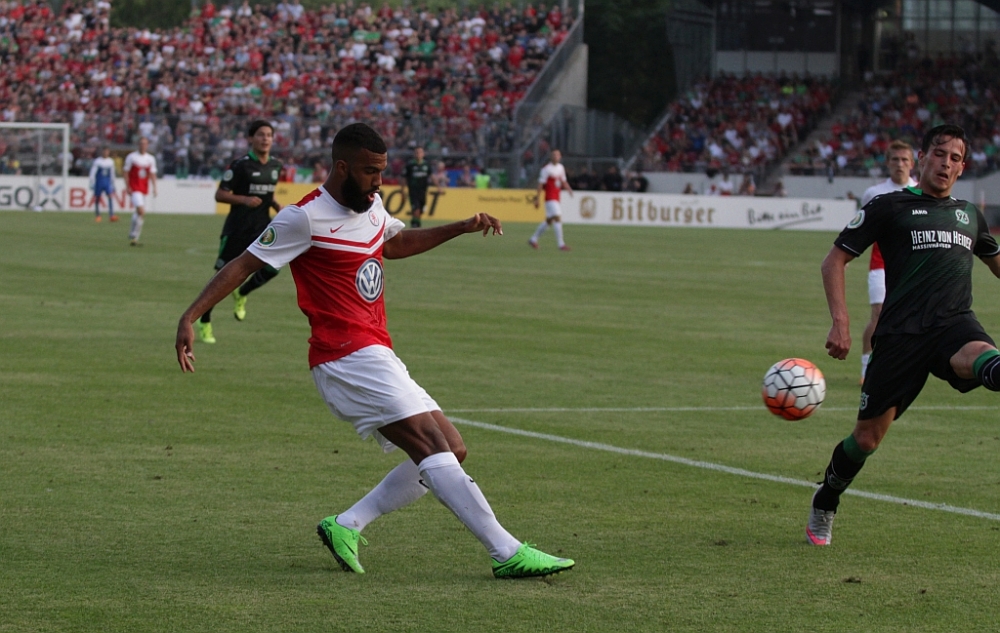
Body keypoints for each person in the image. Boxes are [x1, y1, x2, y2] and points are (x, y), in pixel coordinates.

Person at [174, 123, 574, 578]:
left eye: (382, 171)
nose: (379, 182)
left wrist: (460, 227)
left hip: (376, 347)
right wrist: (191, 316)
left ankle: (347, 524)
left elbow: (394, 243)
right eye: (370, 172)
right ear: (342, 167)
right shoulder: (303, 217)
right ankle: (506, 551)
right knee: (432, 445)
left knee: (452, 448)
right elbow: (243, 263)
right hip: (344, 356)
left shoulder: (372, 204)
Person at [807, 124, 1000, 546]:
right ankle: (826, 500)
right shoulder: (889, 206)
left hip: (953, 325)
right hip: (900, 336)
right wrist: (841, 322)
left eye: (955, 158)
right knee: (866, 440)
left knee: (989, 361)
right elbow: (833, 261)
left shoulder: (970, 215)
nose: (946, 163)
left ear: (962, 168)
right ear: (923, 158)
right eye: (939, 154)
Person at [195, 120, 284, 345]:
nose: (265, 139)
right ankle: (204, 320)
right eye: (261, 134)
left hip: (263, 228)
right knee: (221, 279)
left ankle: (243, 292)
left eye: (269, 135)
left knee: (274, 267)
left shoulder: (276, 165)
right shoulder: (240, 165)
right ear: (251, 139)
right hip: (237, 229)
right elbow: (220, 195)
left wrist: (276, 205)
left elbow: (268, 193)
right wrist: (244, 199)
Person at [857, 140, 918, 383]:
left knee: (909, 318)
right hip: (880, 264)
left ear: (912, 164)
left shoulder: (921, 191)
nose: (900, 164)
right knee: (878, 315)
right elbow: (861, 229)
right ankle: (866, 368)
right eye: (895, 159)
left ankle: (899, 366)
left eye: (904, 160)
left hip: (912, 266)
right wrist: (847, 256)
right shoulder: (874, 193)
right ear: (887, 163)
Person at [528, 149, 573, 251]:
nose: (556, 156)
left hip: (556, 197)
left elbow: (563, 181)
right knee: (557, 218)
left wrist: (569, 189)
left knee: (549, 221)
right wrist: (537, 198)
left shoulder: (561, 168)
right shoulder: (546, 169)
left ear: (560, 157)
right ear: (550, 157)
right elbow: (540, 184)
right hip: (550, 197)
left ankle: (533, 239)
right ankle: (561, 244)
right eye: (554, 155)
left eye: (558, 155)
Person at [123, 137, 157, 246]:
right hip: (134, 188)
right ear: (138, 144)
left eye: (145, 143)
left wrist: (155, 187)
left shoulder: (150, 159)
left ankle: (134, 237)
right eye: (141, 143)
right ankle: (134, 234)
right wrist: (127, 186)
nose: (143, 145)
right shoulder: (132, 157)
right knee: (141, 211)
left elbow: (152, 174)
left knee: (139, 214)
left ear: (147, 145)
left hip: (144, 189)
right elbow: (126, 172)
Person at [400, 146, 431, 228]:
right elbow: (404, 178)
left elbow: (431, 176)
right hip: (413, 191)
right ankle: (415, 225)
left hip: (423, 191)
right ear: (414, 154)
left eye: (420, 152)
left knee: (421, 209)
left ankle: (415, 222)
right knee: (416, 208)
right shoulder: (410, 165)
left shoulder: (426, 165)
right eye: (417, 152)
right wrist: (402, 191)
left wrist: (438, 187)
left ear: (423, 154)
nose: (418, 154)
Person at [89, 146, 118, 223]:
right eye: (104, 151)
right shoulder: (98, 161)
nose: (105, 153)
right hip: (99, 182)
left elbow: (112, 173)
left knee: (110, 196)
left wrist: (113, 183)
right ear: (102, 152)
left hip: (107, 182)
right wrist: (91, 182)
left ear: (108, 152)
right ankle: (98, 215)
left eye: (107, 151)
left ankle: (111, 215)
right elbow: (93, 172)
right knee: (97, 198)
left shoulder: (110, 161)